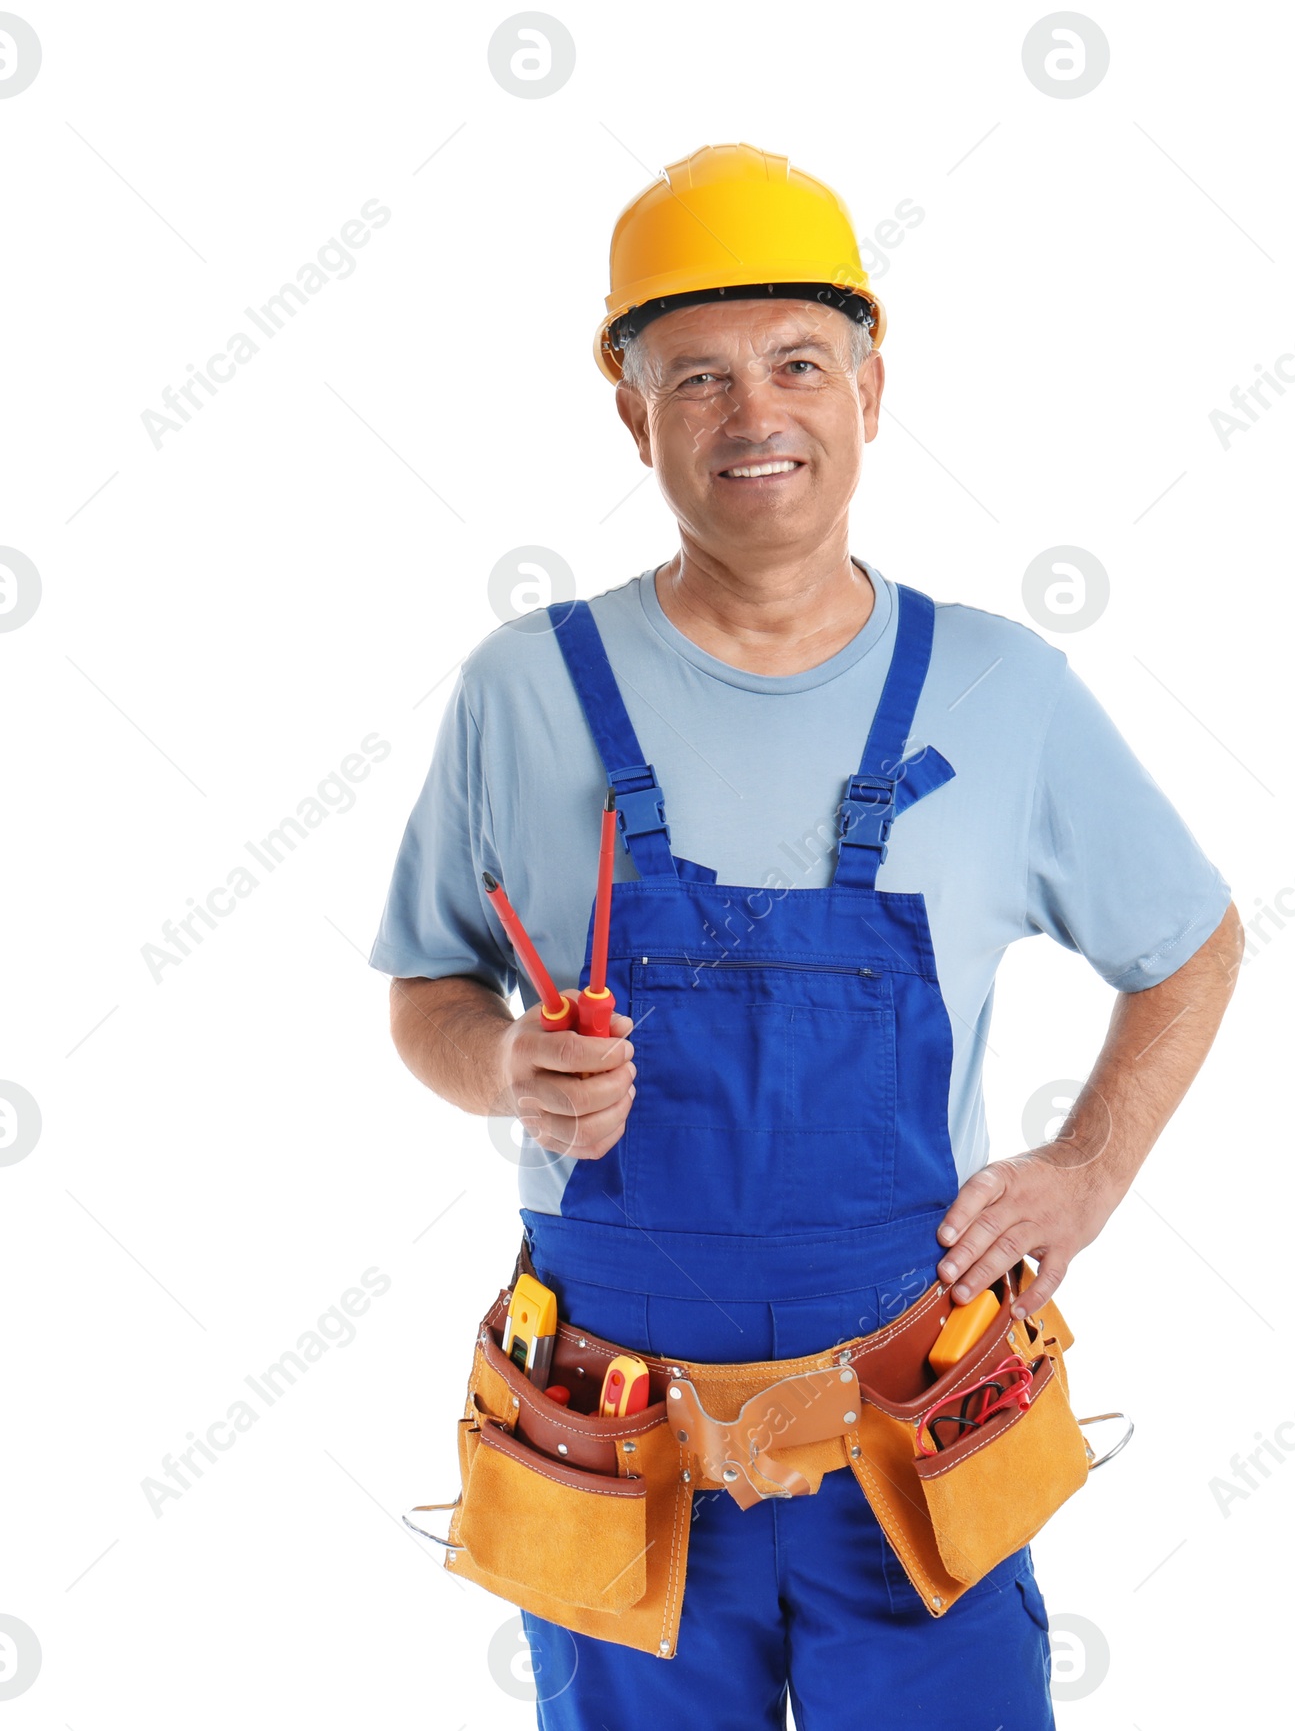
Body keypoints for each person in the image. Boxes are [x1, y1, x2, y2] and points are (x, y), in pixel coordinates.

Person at [371, 142, 1242, 1730]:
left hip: (918, 1448)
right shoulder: (523, 692)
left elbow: (1191, 942)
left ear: (871, 387)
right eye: (697, 376)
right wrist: (504, 1062)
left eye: (796, 362)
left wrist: (1091, 1168)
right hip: (616, 1460)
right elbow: (426, 986)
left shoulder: (1005, 694)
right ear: (632, 414)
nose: (753, 414)